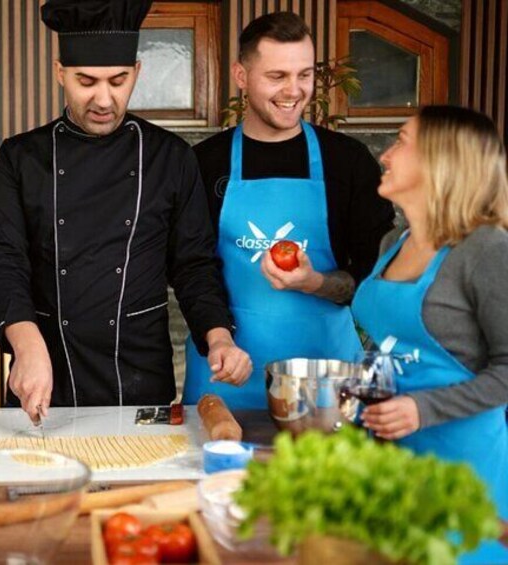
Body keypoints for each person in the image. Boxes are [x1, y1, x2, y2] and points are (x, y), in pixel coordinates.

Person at [0, 0, 251, 422]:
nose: (103, 98)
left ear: (137, 73)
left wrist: (219, 338)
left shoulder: (170, 158)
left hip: (140, 372)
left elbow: (193, 263)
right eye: (86, 81)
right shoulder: (20, 158)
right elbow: (3, 258)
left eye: (118, 81)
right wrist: (25, 344)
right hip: (45, 367)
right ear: (60, 73)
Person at [186, 12, 395, 409]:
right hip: (226, 372)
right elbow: (191, 270)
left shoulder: (347, 163)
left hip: (326, 380)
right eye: (277, 76)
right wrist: (219, 339)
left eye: (304, 74)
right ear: (241, 76)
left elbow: (374, 276)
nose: (294, 90)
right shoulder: (202, 164)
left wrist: (312, 282)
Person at [353, 105, 508, 563]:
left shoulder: (487, 250)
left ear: (440, 160)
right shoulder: (393, 244)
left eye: (400, 141)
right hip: (390, 462)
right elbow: (382, 347)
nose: (384, 155)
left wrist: (423, 408)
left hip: (462, 468)